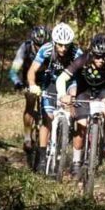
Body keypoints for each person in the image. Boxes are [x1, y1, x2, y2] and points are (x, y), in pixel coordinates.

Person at [57, 34, 105, 177]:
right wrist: (63, 95)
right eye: (98, 56)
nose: (101, 60)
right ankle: (76, 161)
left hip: (103, 91)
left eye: (104, 56)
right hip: (83, 91)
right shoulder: (82, 60)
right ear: (91, 53)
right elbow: (62, 78)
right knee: (82, 125)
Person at [27, 23, 82, 172]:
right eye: (60, 45)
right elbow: (32, 70)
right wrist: (32, 85)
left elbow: (83, 75)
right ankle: (43, 156)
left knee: (74, 104)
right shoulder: (46, 50)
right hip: (50, 83)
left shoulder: (77, 52)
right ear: (54, 42)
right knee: (48, 118)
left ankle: (67, 132)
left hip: (71, 82)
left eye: (66, 45)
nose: (63, 49)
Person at [9, 26, 50, 153]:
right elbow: (13, 70)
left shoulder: (50, 49)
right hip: (29, 78)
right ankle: (27, 137)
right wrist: (17, 82)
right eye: (38, 45)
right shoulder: (25, 48)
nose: (41, 48)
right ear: (33, 42)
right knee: (30, 102)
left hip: (46, 79)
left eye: (44, 44)